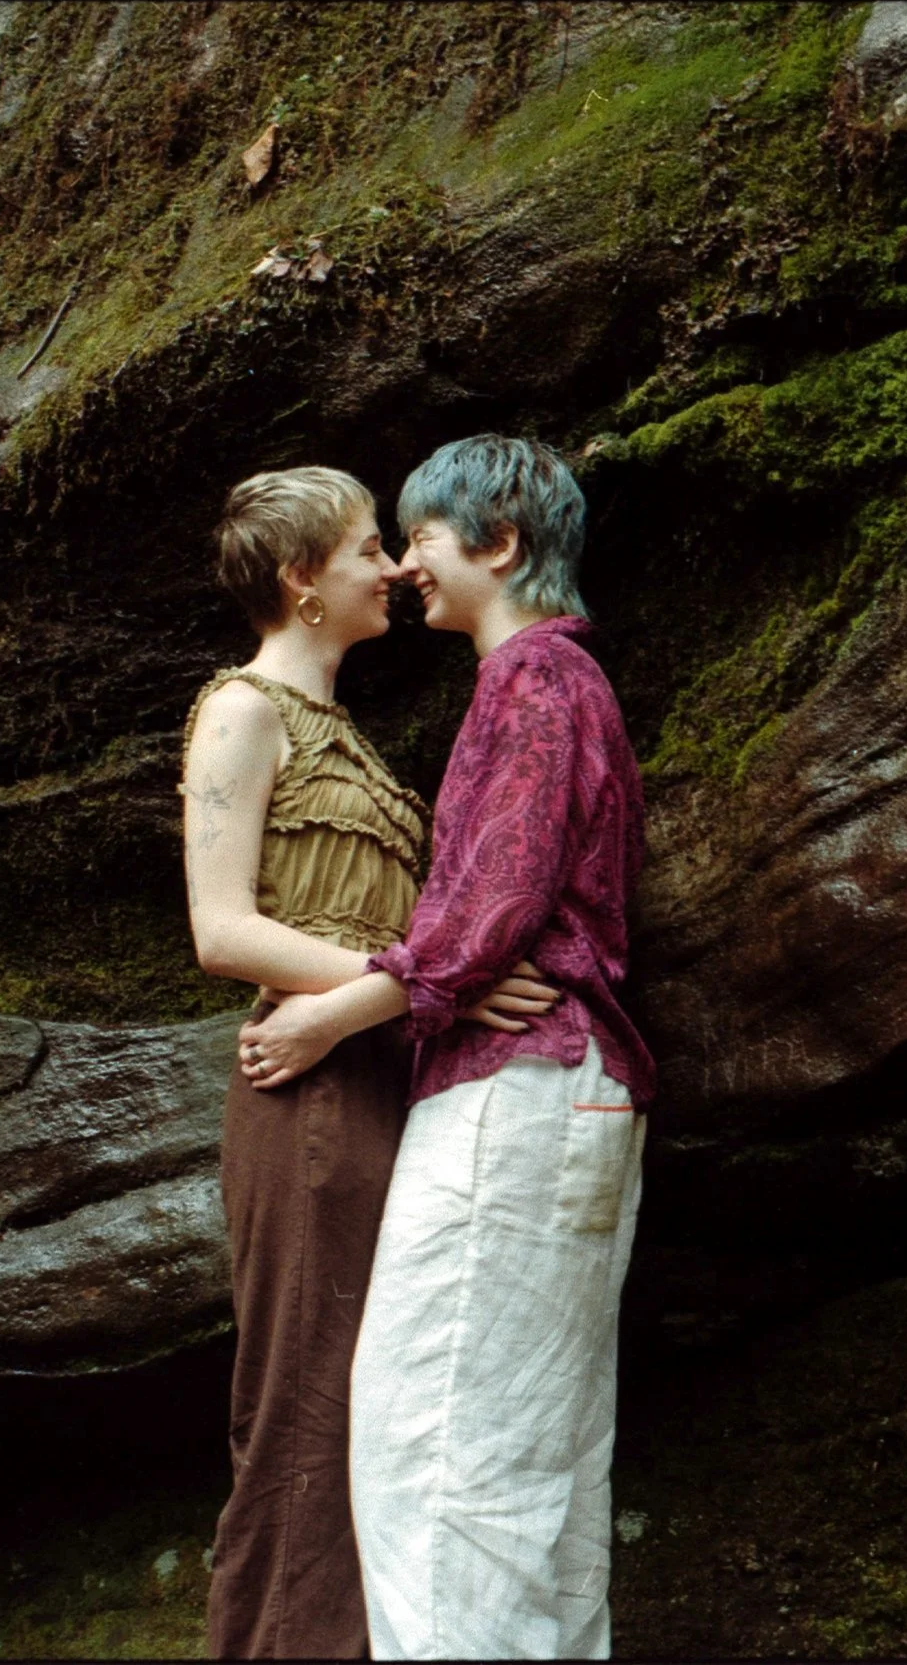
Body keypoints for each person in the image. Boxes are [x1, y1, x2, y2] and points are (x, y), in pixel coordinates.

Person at [233, 435, 654, 1660]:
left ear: (501, 545)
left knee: (437, 1469)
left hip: (514, 1097)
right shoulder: (571, 687)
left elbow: (486, 914)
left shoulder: (530, 681)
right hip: (580, 1094)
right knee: (542, 1483)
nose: (407, 562)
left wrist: (332, 1009)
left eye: (419, 535)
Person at [180, 465, 561, 1660]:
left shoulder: (344, 733)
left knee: (381, 1415)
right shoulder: (241, 709)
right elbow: (221, 930)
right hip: (309, 1102)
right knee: (303, 1413)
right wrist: (413, 975)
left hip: (386, 1086)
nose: (393, 567)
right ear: (300, 582)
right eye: (360, 549)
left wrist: (415, 985)